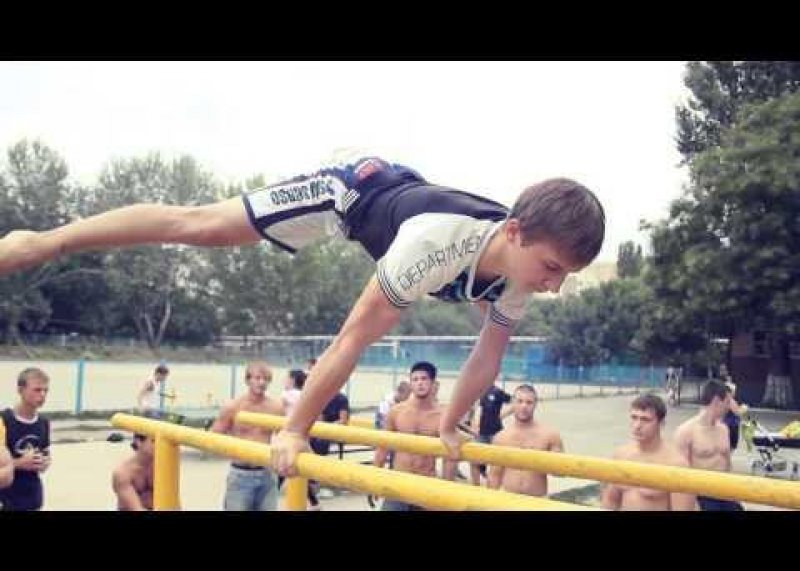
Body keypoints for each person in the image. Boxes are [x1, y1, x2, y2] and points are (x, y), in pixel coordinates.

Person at [0, 154, 606, 475]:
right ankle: (48, 241)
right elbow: (352, 338)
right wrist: (294, 429)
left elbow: (489, 354)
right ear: (518, 233)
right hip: (352, 192)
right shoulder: (434, 246)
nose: (554, 287)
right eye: (552, 269)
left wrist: (450, 423)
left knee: (489, 307)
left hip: (409, 196)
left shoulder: (521, 272)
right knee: (203, 227)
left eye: (565, 276)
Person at [373, 361, 456, 511]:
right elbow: (382, 447)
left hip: (426, 483)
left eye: (424, 379)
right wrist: (374, 480)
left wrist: (447, 490)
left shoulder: (443, 416)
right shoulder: (397, 412)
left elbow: (449, 458)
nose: (420, 383)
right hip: (398, 482)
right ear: (410, 383)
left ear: (433, 383)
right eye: (415, 379)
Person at [210, 361, 284, 511]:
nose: (262, 382)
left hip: (267, 473)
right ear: (247, 380)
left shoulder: (275, 407)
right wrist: (233, 449)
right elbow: (215, 436)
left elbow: (285, 436)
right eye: (257, 378)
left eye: (266, 379)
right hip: (240, 474)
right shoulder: (233, 407)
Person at [602, 393, 696, 511]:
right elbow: (610, 501)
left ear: (661, 424)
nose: (637, 426)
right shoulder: (621, 455)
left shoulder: (676, 464)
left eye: (645, 420)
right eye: (634, 417)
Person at [674, 380, 743, 511]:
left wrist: (734, 494)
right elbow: (681, 475)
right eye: (727, 402)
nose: (729, 407)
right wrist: (692, 505)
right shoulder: (686, 431)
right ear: (716, 401)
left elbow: (727, 464)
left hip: (725, 492)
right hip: (703, 497)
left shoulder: (724, 429)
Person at [487, 384, 563, 497]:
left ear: (535, 404)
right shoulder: (501, 437)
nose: (524, 406)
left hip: (536, 501)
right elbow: (494, 476)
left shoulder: (550, 435)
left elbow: (559, 472)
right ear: (513, 403)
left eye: (529, 402)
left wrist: (552, 462)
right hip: (508, 499)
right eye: (520, 401)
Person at [0, 367, 52, 511]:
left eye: (45, 390)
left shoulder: (43, 422)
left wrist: (44, 463)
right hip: (7, 498)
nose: (42, 395)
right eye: (37, 390)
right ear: (20, 390)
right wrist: (19, 463)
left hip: (33, 497)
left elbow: (46, 453)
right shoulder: (4, 421)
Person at [470, 376, 513, 485]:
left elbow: (514, 402)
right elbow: (473, 411)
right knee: (474, 460)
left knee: (496, 462)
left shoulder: (497, 392)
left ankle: (494, 487)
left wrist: (502, 415)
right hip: (480, 433)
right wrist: (473, 425)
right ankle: (475, 487)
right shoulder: (475, 392)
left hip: (495, 432)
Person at [112, 433, 155, 510]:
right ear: (138, 442)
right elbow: (136, 509)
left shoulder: (164, 468)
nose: (159, 445)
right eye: (153, 441)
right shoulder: (123, 473)